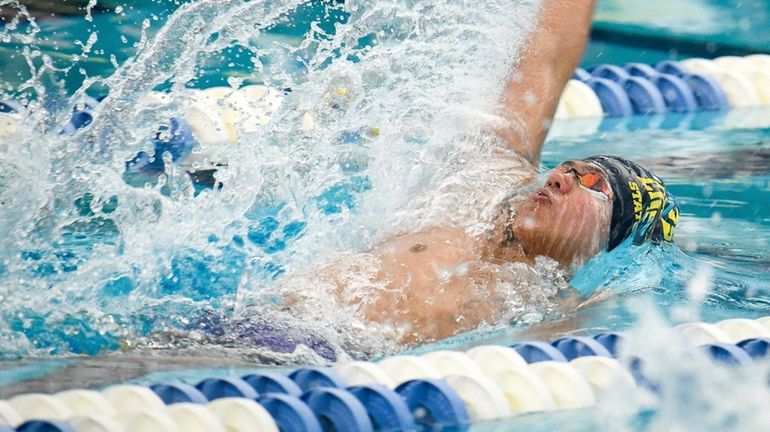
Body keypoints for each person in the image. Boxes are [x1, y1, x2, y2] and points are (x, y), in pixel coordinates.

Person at [243, 0, 681, 354]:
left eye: (594, 184)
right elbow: (545, 55)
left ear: (609, 240)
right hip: (259, 320)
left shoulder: (552, 310)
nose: (560, 178)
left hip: (319, 366)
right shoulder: (484, 173)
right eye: (569, 168)